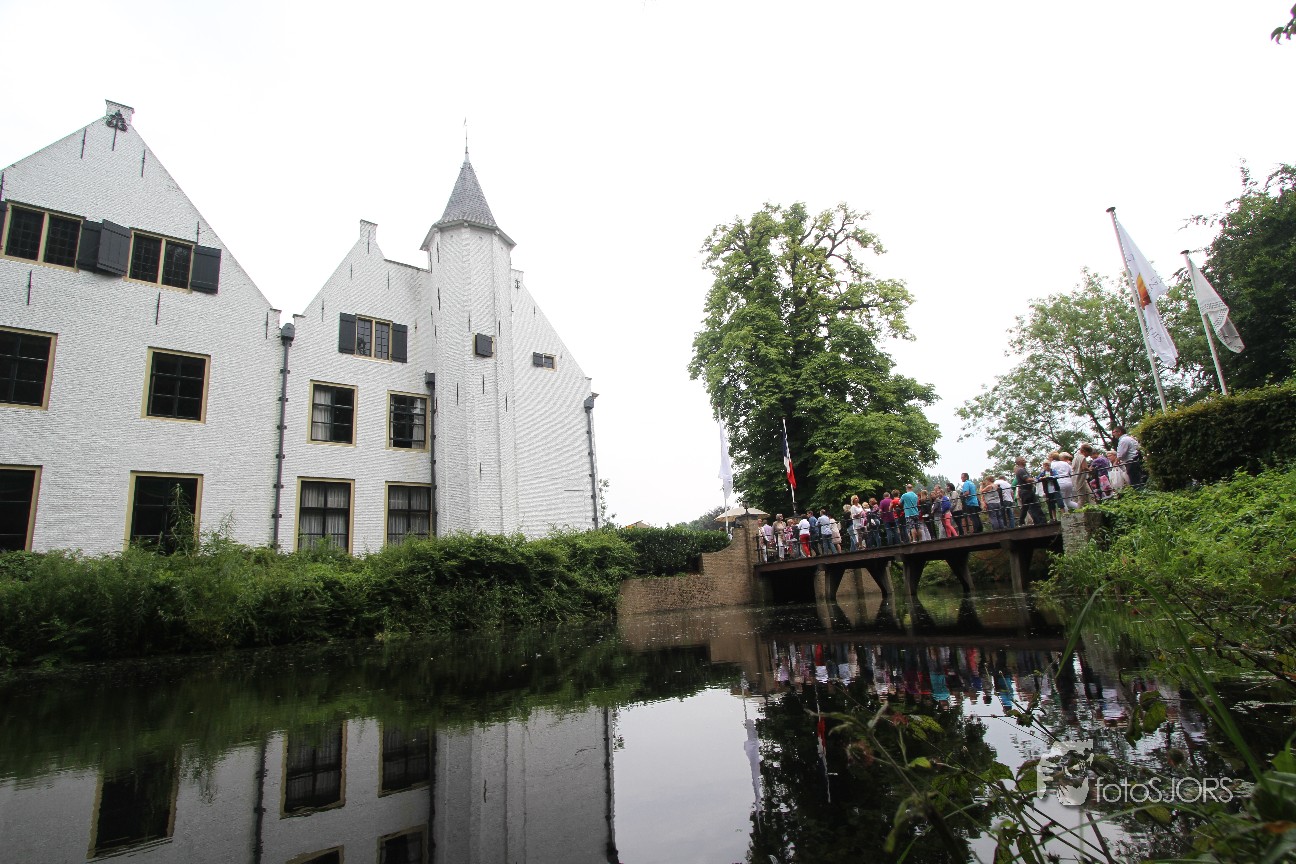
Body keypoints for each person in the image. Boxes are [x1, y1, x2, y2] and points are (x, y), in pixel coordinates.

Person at [1015, 456, 1048, 526]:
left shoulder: (1023, 470)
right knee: (1026, 507)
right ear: (1019, 462)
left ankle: (1040, 521)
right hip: (1025, 491)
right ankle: (1022, 522)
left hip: (1029, 490)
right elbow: (1027, 479)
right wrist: (1038, 479)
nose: (1025, 461)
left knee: (1035, 506)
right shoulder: (1021, 470)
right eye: (1023, 460)